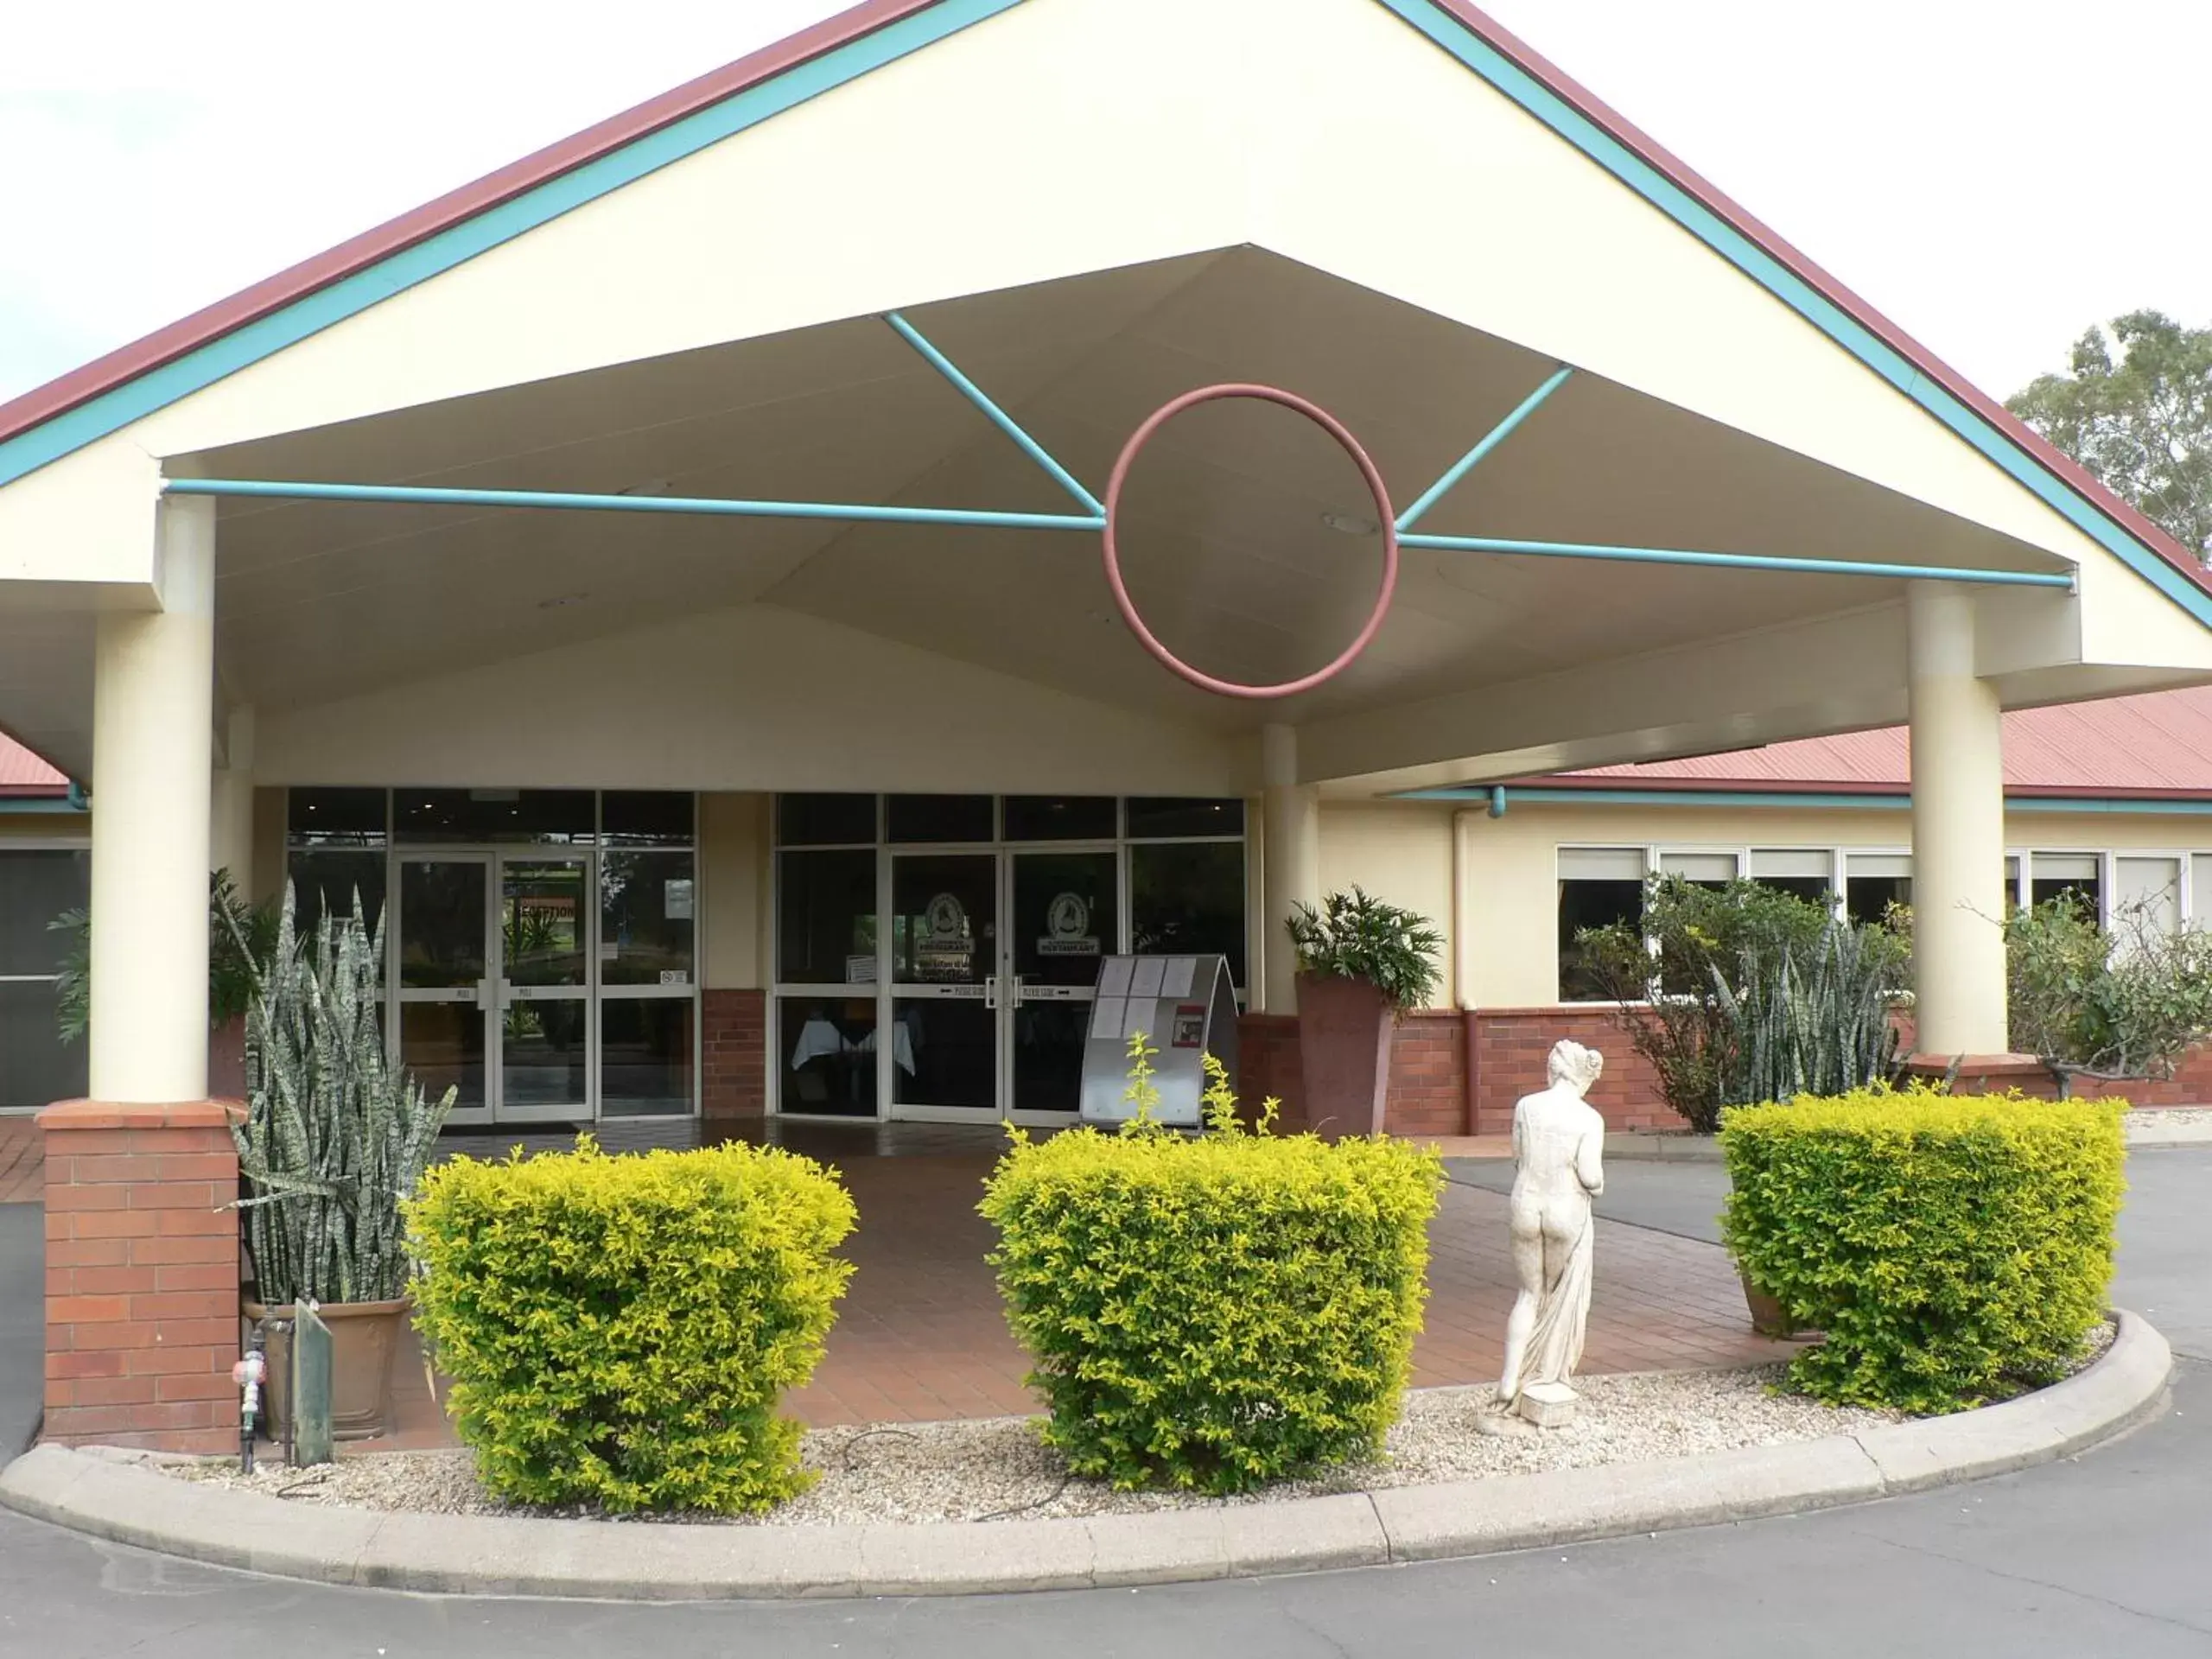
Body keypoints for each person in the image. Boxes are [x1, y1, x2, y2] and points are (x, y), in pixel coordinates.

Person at [1497, 1039, 1606, 1409]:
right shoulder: (1589, 1118)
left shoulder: (1526, 1107)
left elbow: (1518, 1155)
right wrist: (1600, 1184)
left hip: (1526, 1205)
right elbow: (1590, 1176)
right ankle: (1546, 1375)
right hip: (1565, 1211)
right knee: (1557, 1295)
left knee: (1529, 1294)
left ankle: (1511, 1379)